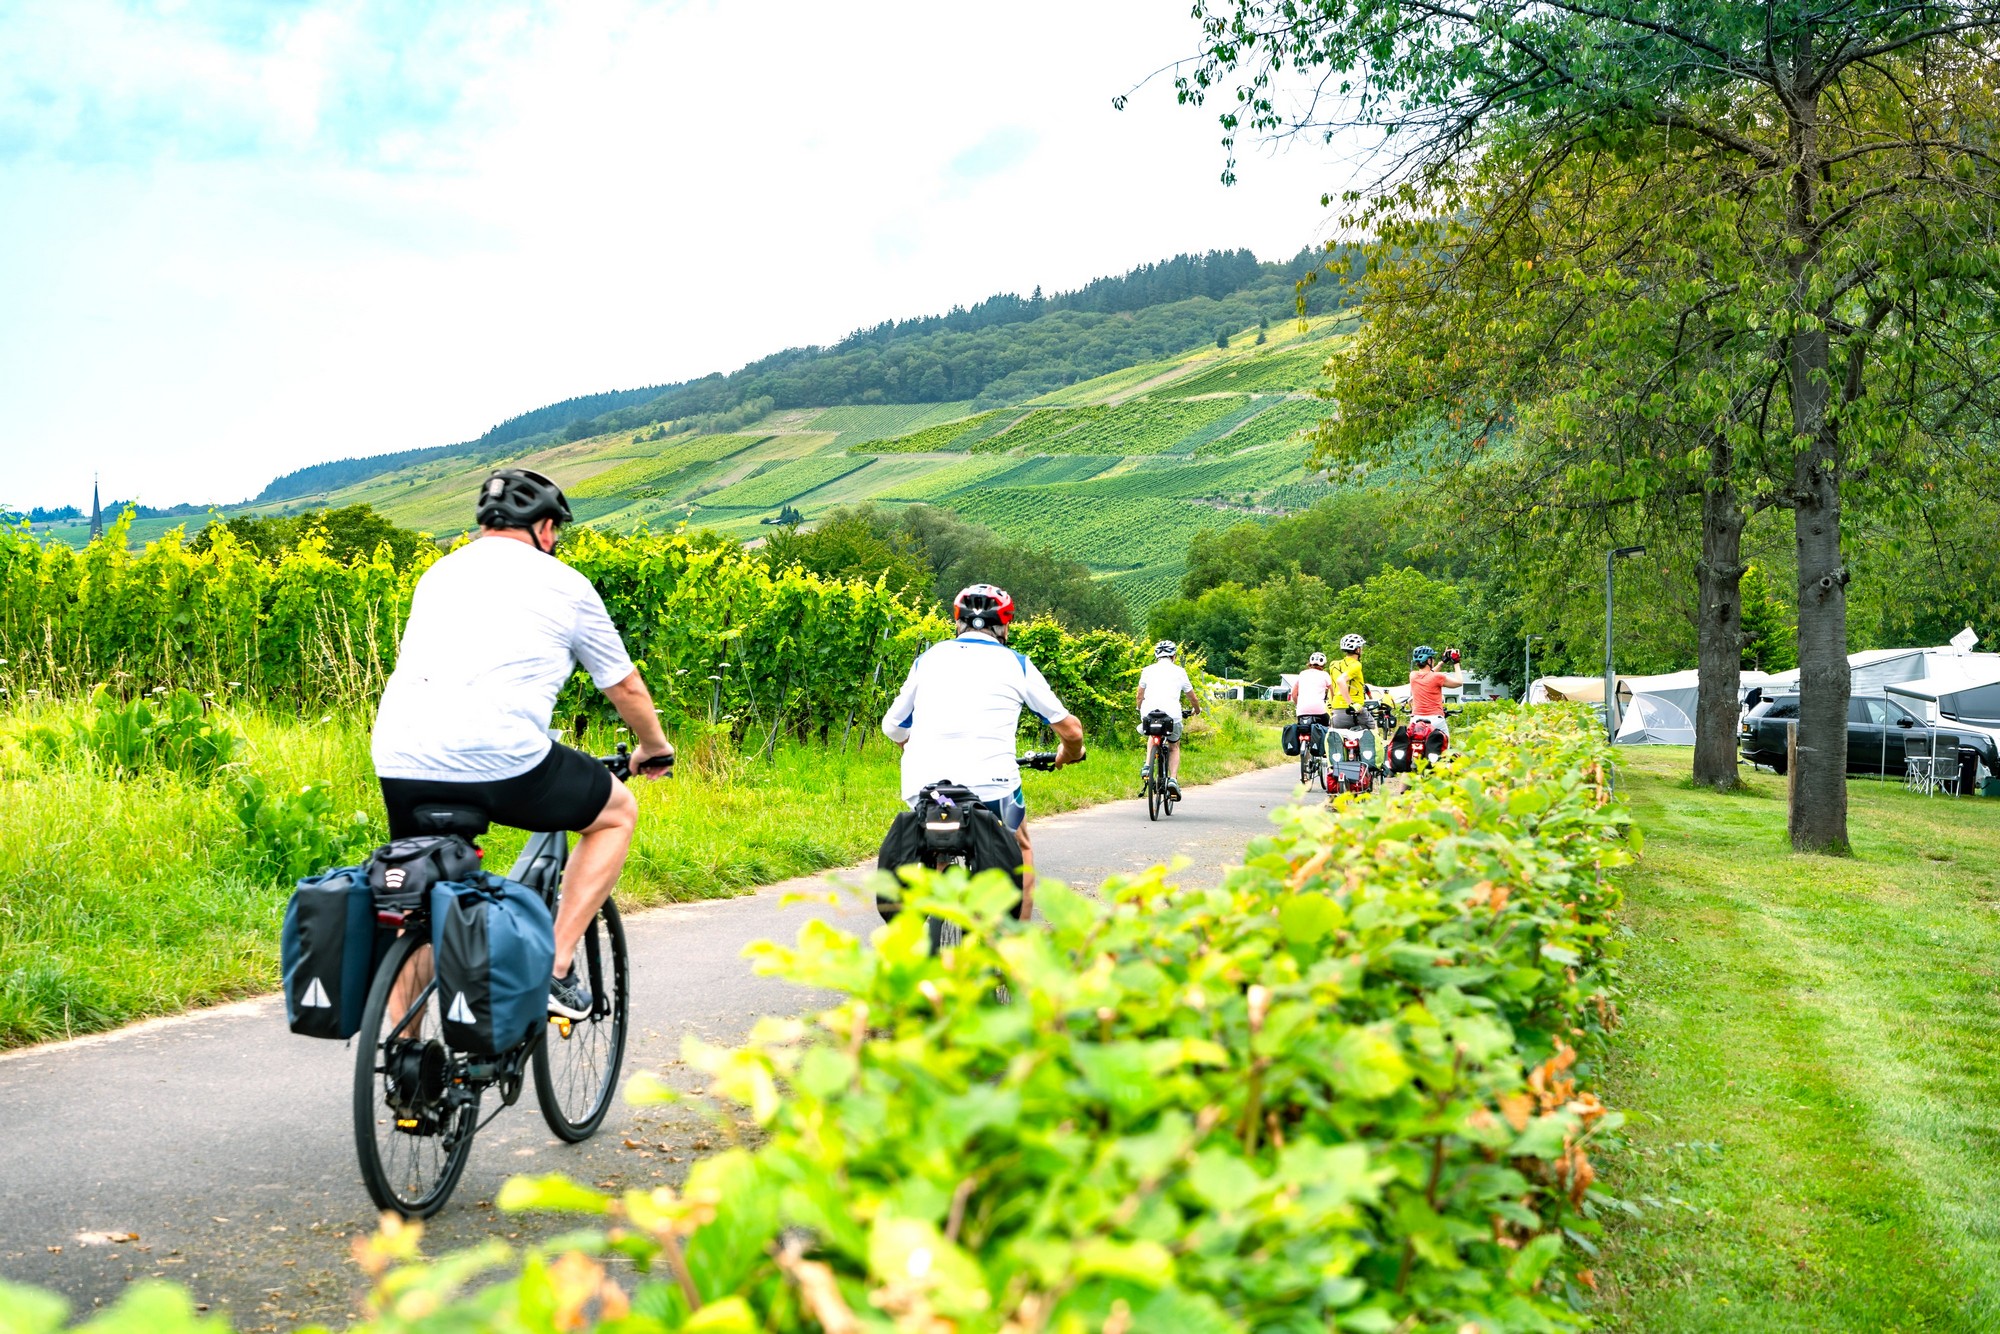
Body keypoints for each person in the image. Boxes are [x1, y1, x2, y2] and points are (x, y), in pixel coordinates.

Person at [371, 468, 674, 1021]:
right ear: (546, 527)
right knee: (616, 813)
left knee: (419, 895)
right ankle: (555, 967)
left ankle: (405, 1061)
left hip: (402, 754)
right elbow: (626, 687)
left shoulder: (437, 574)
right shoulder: (566, 584)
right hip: (501, 757)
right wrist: (653, 747)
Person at [881, 583, 1085, 902]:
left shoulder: (928, 659)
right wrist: (1069, 754)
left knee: (936, 820)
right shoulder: (1017, 664)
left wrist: (912, 746)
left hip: (924, 788)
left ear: (958, 622)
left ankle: (937, 889)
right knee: (1021, 846)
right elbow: (1071, 731)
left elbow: (892, 726)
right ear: (1004, 626)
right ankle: (1013, 932)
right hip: (992, 789)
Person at [1135, 640, 1203, 800]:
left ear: (1156, 656)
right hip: (1172, 716)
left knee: (1152, 736)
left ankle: (1147, 766)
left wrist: (1139, 708)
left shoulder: (1147, 670)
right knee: (1174, 746)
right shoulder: (1180, 672)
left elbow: (1139, 695)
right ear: (1174, 656)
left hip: (1150, 714)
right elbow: (1192, 697)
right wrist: (1197, 709)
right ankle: (1172, 779)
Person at [1408, 645, 1465, 737]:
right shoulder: (1438, 677)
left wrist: (1442, 662)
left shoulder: (1413, 675)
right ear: (1429, 661)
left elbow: (1429, 674)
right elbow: (1459, 682)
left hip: (1416, 720)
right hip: (1435, 720)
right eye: (1432, 658)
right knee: (1445, 742)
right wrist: (1456, 662)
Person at [1288, 650, 1334, 757]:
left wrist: (1298, 705)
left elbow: (1294, 694)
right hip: (1319, 710)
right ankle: (1325, 751)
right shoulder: (1325, 675)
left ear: (1310, 663)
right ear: (1323, 664)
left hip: (1301, 710)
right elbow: (1333, 693)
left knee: (1302, 727)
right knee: (1327, 726)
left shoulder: (1302, 674)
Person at [1330, 633, 1371, 729]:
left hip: (1336, 711)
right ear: (1357, 650)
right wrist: (1351, 704)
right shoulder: (1356, 665)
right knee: (1373, 727)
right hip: (1355, 710)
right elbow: (1340, 681)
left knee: (1339, 735)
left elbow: (1333, 686)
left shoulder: (1333, 665)